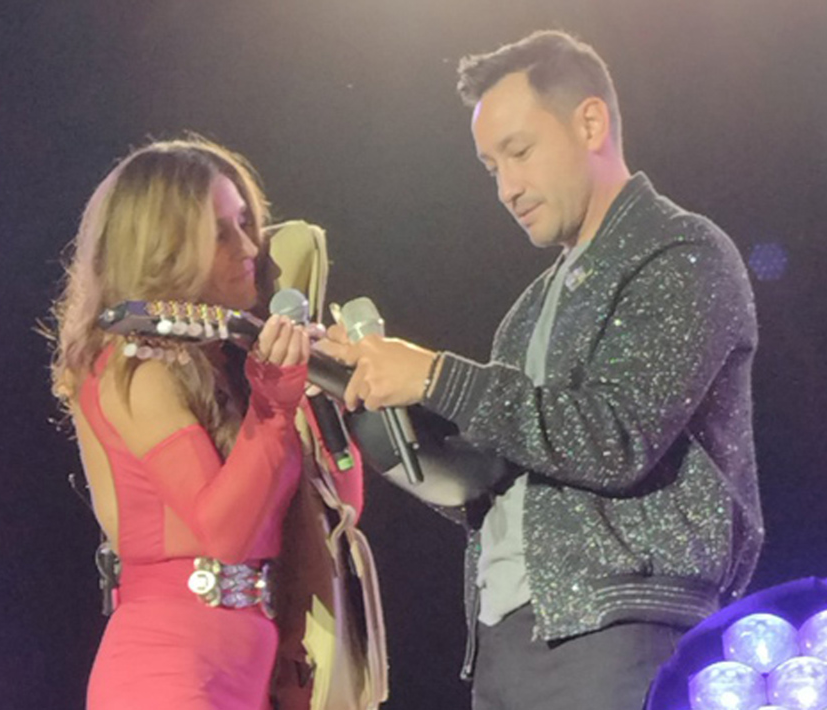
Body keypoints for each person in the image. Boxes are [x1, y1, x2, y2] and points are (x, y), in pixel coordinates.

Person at [318, 30, 764, 710]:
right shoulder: (527, 311)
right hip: (507, 646)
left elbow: (616, 437)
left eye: (519, 152)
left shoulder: (679, 251)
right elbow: (486, 479)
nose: (506, 187)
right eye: (490, 167)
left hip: (621, 631)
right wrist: (362, 404)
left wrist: (436, 376)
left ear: (590, 123)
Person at [49, 138, 378, 710]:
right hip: (165, 674)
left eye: (246, 222)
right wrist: (272, 404)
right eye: (220, 233)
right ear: (165, 248)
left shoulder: (224, 367)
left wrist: (320, 396)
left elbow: (343, 507)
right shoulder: (134, 367)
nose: (249, 246)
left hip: (244, 673)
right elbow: (225, 535)